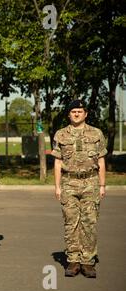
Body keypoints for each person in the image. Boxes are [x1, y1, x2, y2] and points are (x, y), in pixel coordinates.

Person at [51, 99, 107, 278]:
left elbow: (101, 161)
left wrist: (102, 185)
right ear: (69, 114)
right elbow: (58, 162)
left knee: (89, 223)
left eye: (80, 111)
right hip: (69, 183)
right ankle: (73, 261)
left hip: (90, 182)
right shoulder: (61, 135)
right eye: (73, 111)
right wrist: (57, 186)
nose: (76, 114)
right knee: (71, 223)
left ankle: (88, 262)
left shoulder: (96, 133)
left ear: (86, 114)